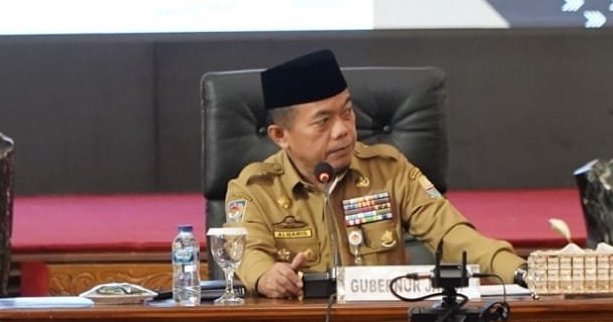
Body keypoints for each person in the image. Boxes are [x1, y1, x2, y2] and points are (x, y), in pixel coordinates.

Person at [225, 50, 527, 300]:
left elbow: (451, 234)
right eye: (323, 122)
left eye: (347, 112)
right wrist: (266, 276)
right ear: (280, 135)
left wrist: (520, 271)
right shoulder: (254, 189)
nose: (343, 130)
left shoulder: (389, 170)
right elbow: (247, 251)